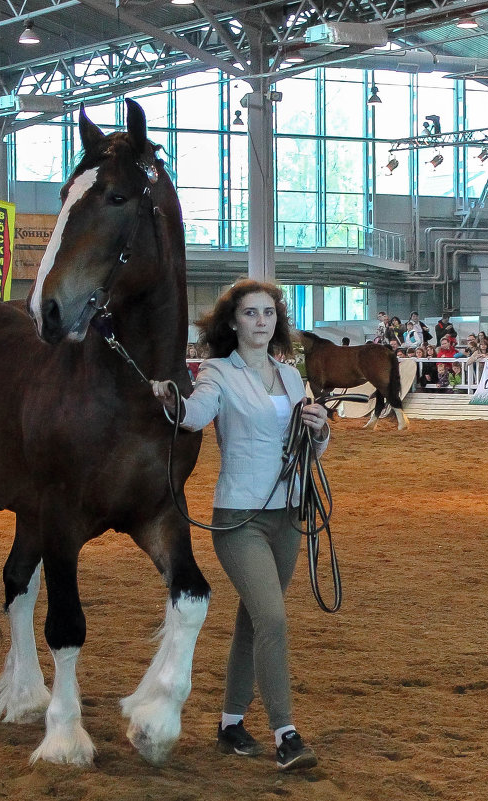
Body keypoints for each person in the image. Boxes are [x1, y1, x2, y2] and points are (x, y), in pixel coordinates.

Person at [150, 280, 327, 772]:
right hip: (240, 518)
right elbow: (196, 414)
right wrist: (173, 402)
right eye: (250, 314)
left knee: (254, 620)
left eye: (268, 313)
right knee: (271, 619)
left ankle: (230, 723)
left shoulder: (291, 377)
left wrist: (319, 430)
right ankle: (285, 734)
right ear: (232, 322)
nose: (261, 322)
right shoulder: (217, 373)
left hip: (288, 514)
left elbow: (306, 448)